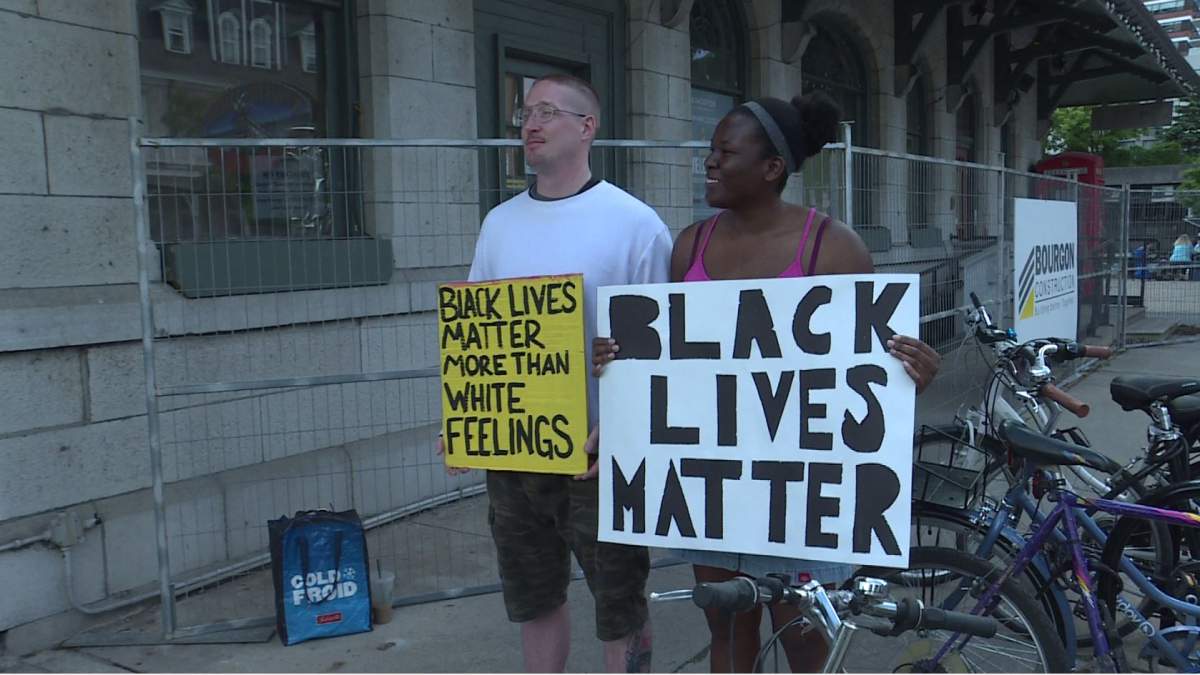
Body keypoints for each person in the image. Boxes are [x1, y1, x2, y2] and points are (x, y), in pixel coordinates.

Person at [593, 92, 941, 673]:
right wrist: (622, 360)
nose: (709, 163)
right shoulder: (691, 246)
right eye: (711, 151)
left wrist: (913, 371)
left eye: (724, 152)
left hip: (797, 490)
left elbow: (870, 370)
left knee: (801, 635)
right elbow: (673, 360)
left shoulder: (832, 246)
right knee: (727, 623)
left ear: (772, 167)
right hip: (714, 483)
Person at [437, 73, 672, 673]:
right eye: (525, 113)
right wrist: (466, 417)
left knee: (618, 604)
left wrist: (622, 426)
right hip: (516, 455)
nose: (530, 124)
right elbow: (480, 333)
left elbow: (660, 347)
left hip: (599, 456)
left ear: (587, 126)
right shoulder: (500, 224)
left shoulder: (635, 224)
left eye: (546, 111)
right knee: (532, 598)